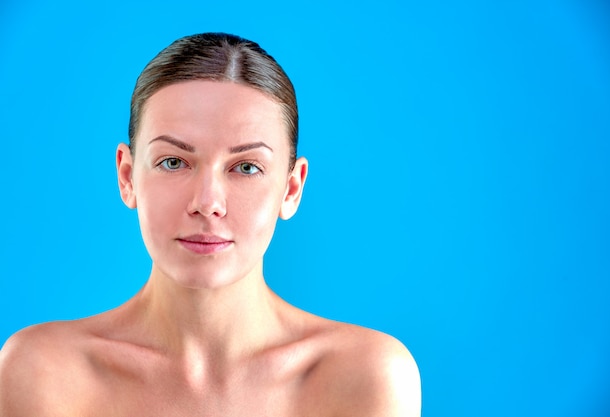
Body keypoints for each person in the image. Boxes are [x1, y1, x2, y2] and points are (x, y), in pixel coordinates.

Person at [0, 32, 421, 416]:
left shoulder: (366, 376)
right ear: (127, 177)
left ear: (291, 189)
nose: (207, 203)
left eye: (247, 167)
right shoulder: (44, 373)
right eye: (173, 162)